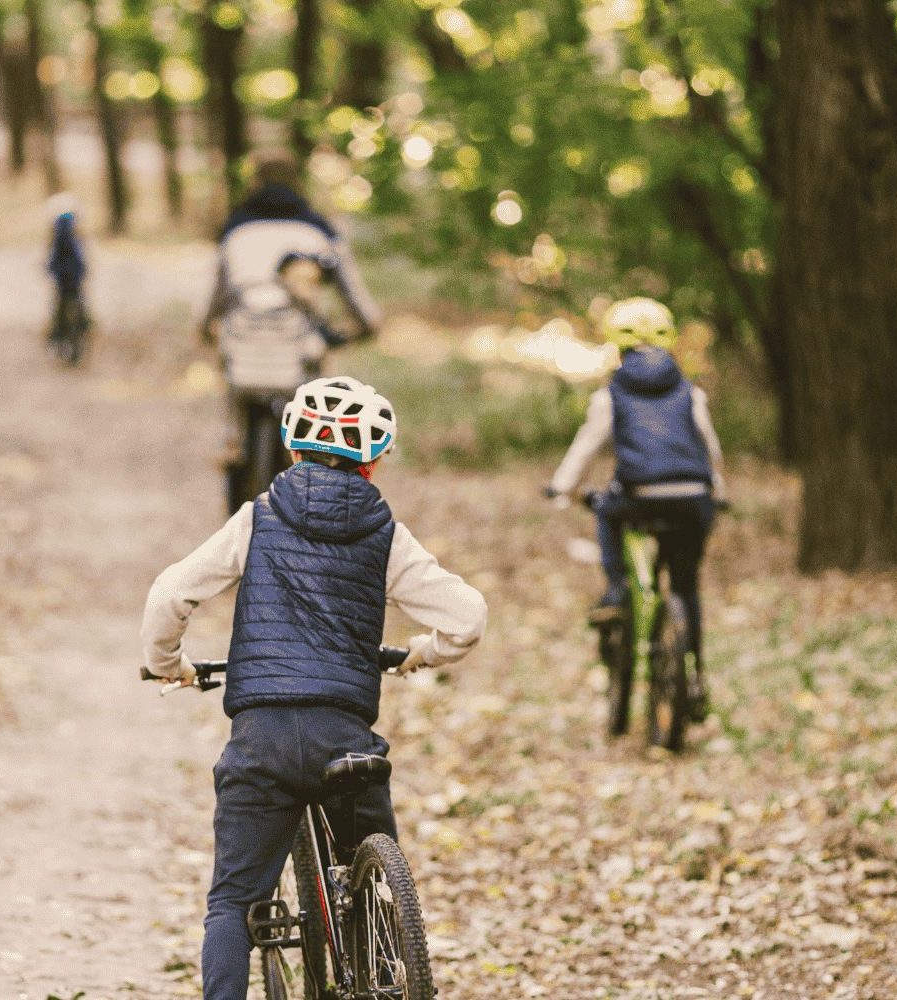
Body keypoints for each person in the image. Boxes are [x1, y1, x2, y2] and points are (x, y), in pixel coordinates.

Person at [140, 376, 487, 1000]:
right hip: (342, 738)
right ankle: (379, 956)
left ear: (291, 448)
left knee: (232, 903)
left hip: (262, 739)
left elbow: (171, 593)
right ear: (375, 459)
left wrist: (169, 663)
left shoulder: (257, 519)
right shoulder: (388, 537)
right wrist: (420, 654)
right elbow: (467, 618)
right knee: (368, 874)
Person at [547, 297, 723, 701]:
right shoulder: (690, 393)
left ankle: (617, 589)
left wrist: (563, 489)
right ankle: (694, 676)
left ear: (615, 345)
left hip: (640, 496)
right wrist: (718, 491)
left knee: (607, 510)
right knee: (685, 585)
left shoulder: (612, 395)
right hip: (695, 497)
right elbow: (710, 447)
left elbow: (587, 447)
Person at [200, 152, 383, 465]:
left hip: (244, 340)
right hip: (297, 347)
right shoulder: (318, 231)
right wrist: (366, 326)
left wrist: (205, 327)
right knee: (313, 386)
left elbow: (214, 296)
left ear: (254, 183)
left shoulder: (235, 231)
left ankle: (232, 441)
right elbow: (351, 292)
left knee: (232, 367)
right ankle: (315, 456)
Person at [45, 193, 90, 361]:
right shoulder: (72, 227)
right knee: (78, 305)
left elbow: (54, 256)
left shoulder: (57, 228)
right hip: (74, 275)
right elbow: (79, 255)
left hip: (62, 277)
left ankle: (57, 337)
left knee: (60, 308)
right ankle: (82, 330)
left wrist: (51, 270)